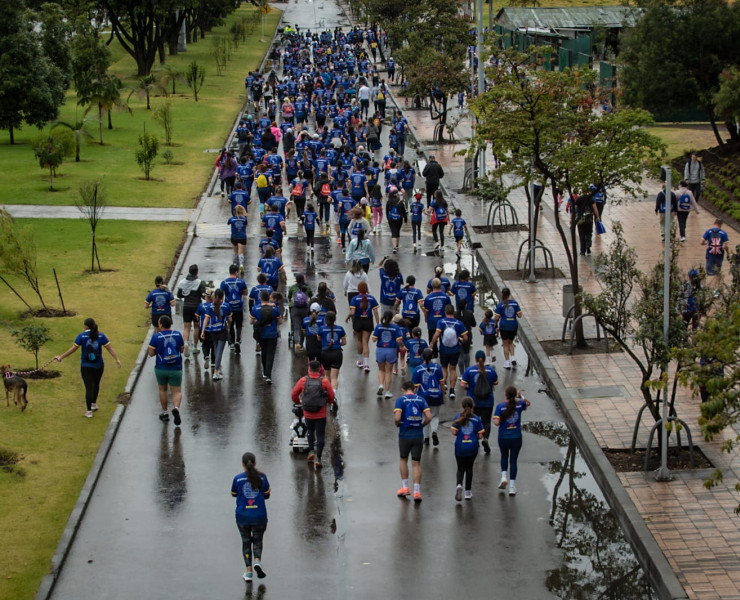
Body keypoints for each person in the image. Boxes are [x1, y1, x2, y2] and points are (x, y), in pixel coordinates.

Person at [54, 318, 121, 418]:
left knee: (88, 388)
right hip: (98, 365)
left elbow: (73, 349)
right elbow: (109, 348)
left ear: (86, 326)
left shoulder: (81, 336)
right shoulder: (101, 335)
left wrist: (61, 357)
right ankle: (93, 403)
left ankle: (89, 411)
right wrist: (117, 359)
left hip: (86, 366)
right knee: (96, 384)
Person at [231, 452, 270, 583]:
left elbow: (233, 493)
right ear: (255, 463)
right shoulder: (262, 478)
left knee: (246, 542)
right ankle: (257, 561)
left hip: (242, 517)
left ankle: (248, 572)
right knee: (258, 540)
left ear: (243, 464)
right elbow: (267, 494)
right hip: (259, 516)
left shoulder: (237, 479)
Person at [291, 360, 336, 469]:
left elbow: (294, 394)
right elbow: (331, 396)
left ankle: (311, 451)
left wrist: (298, 402)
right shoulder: (324, 381)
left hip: (308, 413)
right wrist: (328, 402)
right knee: (320, 435)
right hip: (320, 413)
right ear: (319, 369)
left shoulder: (303, 381)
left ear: (309, 368)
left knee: (310, 432)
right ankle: (318, 458)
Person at [394, 381, 432, 503]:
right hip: (418, 435)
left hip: (405, 434)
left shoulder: (400, 400)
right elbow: (429, 417)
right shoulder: (421, 400)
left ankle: (405, 488)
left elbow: (397, 417)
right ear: (414, 389)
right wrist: (422, 425)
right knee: (416, 463)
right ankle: (417, 491)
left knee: (403, 460)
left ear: (403, 389)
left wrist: (397, 424)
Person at [147, 315, 185, 424]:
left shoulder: (156, 337)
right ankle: (176, 408)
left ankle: (165, 413)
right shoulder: (177, 334)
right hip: (176, 368)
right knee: (177, 391)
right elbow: (182, 350)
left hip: (161, 368)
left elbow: (151, 352)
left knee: (163, 390)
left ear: (160, 324)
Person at [494, 386, 530, 496]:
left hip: (503, 436)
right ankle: (512, 486)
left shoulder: (500, 407)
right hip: (516, 436)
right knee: (513, 460)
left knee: (504, 456)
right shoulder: (519, 404)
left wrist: (500, 421)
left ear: (505, 395)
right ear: (515, 395)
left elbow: (496, 422)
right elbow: (527, 403)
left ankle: (504, 477)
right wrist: (521, 396)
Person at [460, 351, 499, 454]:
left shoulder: (469, 370)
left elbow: (463, 384)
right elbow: (496, 382)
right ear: (485, 359)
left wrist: (469, 387)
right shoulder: (490, 370)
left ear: (475, 359)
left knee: (473, 421)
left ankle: (475, 441)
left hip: (473, 401)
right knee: (486, 422)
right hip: (487, 401)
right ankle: (485, 439)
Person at [451, 397, 485, 501]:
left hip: (460, 446)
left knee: (460, 468)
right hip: (472, 447)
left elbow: (454, 432)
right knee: (469, 468)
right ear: (472, 406)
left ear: (462, 406)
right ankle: (468, 492)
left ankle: (459, 485)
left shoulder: (458, 417)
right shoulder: (476, 419)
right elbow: (480, 435)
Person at [431, 304, 468, 401]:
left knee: (443, 367)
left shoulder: (441, 322)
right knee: (452, 369)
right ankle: (452, 390)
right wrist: (461, 341)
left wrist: (432, 344)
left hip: (444, 349)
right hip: (455, 350)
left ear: (445, 312)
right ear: (454, 312)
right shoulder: (459, 323)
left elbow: (437, 334)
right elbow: (465, 338)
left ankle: (444, 386)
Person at [413, 348, 445, 447]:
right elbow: (442, 383)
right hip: (436, 396)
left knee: (424, 416)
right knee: (435, 415)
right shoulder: (437, 367)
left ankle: (426, 438)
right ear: (432, 357)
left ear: (422, 356)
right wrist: (443, 395)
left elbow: (415, 386)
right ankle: (434, 431)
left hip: (423, 397)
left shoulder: (418, 369)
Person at [250, 290, 282, 383]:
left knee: (264, 352)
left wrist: (258, 321)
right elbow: (280, 322)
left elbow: (251, 322)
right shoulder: (274, 309)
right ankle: (268, 375)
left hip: (261, 335)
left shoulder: (256, 309)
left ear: (260, 299)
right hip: (272, 334)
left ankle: (264, 372)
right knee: (271, 354)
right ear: (269, 299)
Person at [347, 281, 379, 372]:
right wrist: (378, 324)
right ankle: (366, 364)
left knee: (359, 341)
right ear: (366, 289)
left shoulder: (354, 299)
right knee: (366, 342)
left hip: (358, 321)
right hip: (368, 321)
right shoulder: (372, 298)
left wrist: (348, 316)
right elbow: (376, 312)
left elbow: (352, 312)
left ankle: (360, 361)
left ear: (358, 289)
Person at [201, 288, 232, 380]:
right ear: (222, 296)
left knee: (216, 349)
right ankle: (216, 371)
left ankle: (218, 368)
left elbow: (206, 319)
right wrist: (228, 326)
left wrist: (203, 331)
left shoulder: (210, 306)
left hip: (212, 331)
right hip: (222, 331)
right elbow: (230, 319)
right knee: (219, 352)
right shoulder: (226, 306)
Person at [372, 310, 404, 398]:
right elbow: (399, 340)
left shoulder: (378, 327)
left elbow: (374, 339)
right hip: (391, 350)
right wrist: (402, 346)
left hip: (380, 350)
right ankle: (387, 391)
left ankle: (381, 385)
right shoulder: (395, 328)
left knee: (381, 370)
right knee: (388, 371)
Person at [176, 264, 206, 357]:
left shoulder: (183, 282)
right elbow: (203, 295)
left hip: (186, 306)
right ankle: (195, 347)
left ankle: (185, 343)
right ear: (197, 272)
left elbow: (179, 295)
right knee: (196, 326)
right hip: (197, 307)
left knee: (186, 327)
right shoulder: (200, 282)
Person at [221, 264, 248, 354]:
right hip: (238, 307)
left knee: (230, 324)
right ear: (236, 272)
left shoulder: (224, 282)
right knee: (239, 324)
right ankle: (238, 340)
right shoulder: (241, 282)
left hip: (229, 307)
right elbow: (245, 292)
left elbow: (221, 295)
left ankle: (232, 342)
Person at [423, 277, 452, 356]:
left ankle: (434, 354)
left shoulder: (428, 298)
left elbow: (426, 311)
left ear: (432, 286)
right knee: (444, 337)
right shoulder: (446, 297)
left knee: (432, 338)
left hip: (432, 321)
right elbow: (450, 310)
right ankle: (443, 353)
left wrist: (426, 319)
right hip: (443, 321)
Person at [495, 287, 522, 370]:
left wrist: (496, 324)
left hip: (504, 326)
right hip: (513, 325)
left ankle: (507, 362)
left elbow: (496, 317)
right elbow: (520, 315)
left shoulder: (501, 304)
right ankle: (513, 358)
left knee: (505, 344)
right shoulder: (515, 303)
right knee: (511, 342)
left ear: (502, 294)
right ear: (509, 294)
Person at [319, 311, 346, 391]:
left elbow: (319, 338)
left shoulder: (321, 329)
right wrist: (337, 344)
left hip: (325, 353)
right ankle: (334, 396)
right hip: (337, 353)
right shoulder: (340, 329)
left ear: (326, 319)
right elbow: (344, 342)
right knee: (334, 377)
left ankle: (327, 394)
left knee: (327, 375)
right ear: (334, 319)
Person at [287, 274, 312, 352]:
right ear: (303, 280)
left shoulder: (292, 287)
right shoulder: (307, 287)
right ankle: (301, 343)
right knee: (303, 327)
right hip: (305, 308)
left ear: (296, 280)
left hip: (295, 309)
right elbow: (311, 296)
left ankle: (296, 342)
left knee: (296, 327)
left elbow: (289, 297)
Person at [455, 298, 477, 373]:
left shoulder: (455, 314)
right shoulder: (469, 313)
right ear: (465, 305)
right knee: (467, 352)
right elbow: (474, 324)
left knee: (460, 354)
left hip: (458, 336)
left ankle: (461, 373)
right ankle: (467, 370)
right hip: (467, 335)